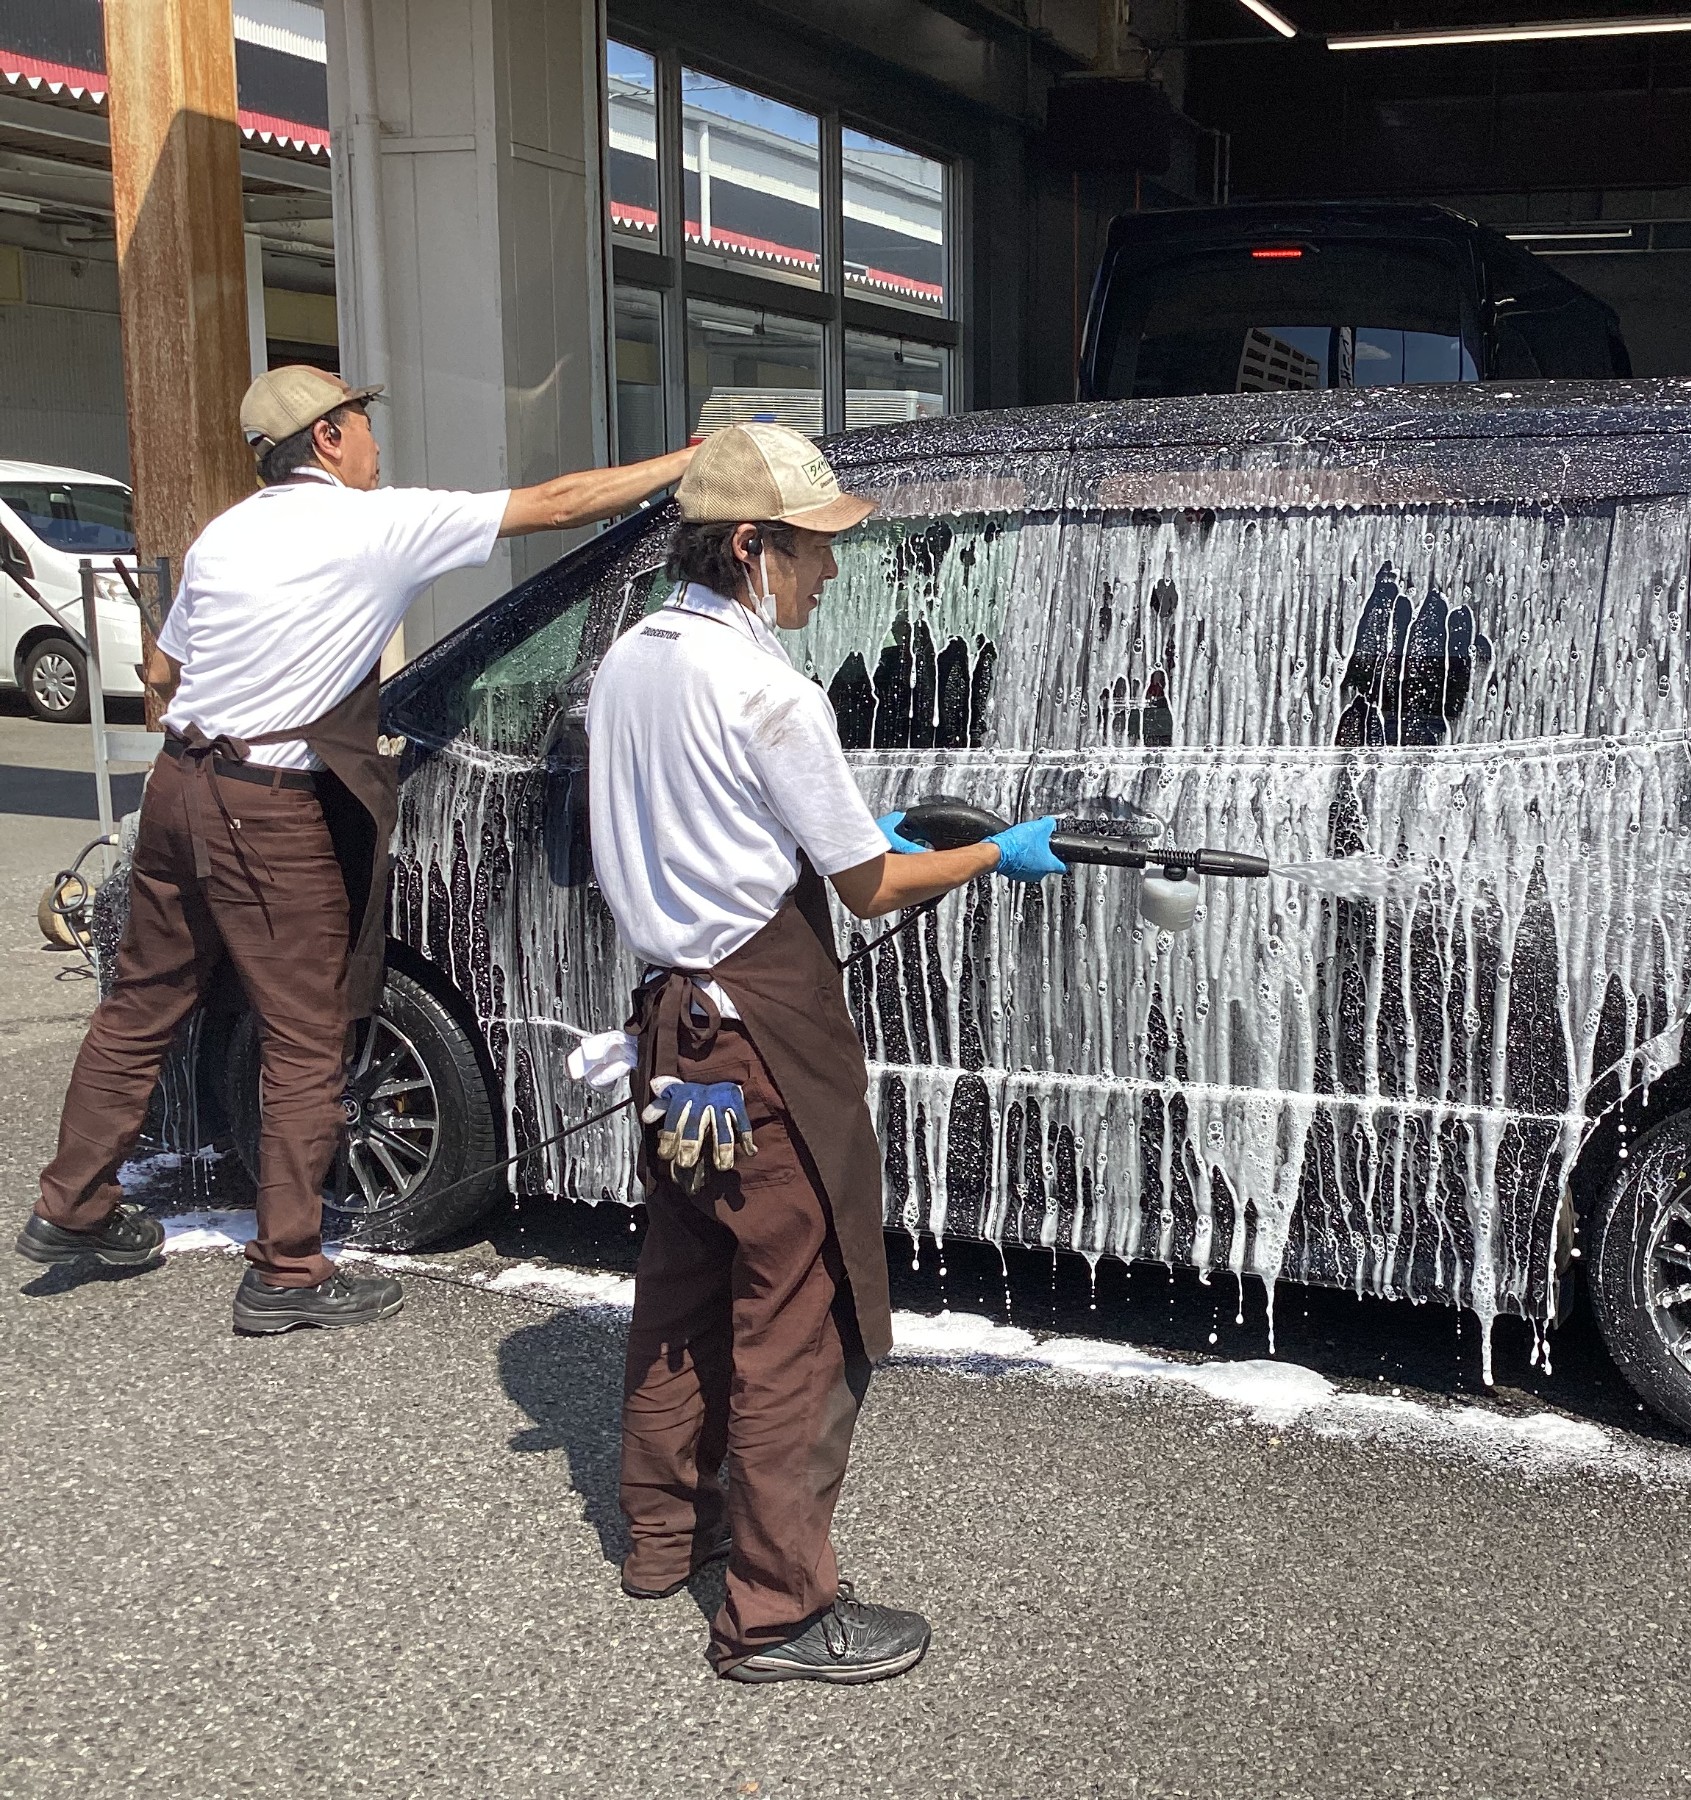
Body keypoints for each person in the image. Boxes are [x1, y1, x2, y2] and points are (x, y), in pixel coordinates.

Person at [14, 365, 696, 1335]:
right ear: (328, 438)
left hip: (178, 785)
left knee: (140, 1006)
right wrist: (685, 464)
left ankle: (73, 1206)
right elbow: (557, 503)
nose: (377, 439)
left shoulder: (225, 533)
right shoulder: (373, 525)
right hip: (265, 806)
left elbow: (163, 668)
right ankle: (288, 1270)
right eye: (362, 422)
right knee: (307, 1032)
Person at [584, 421, 1064, 1685]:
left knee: (686, 1280)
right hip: (760, 1039)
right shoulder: (771, 692)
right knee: (797, 1313)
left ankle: (663, 1536)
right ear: (751, 545)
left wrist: (840, 827)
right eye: (813, 549)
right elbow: (871, 887)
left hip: (670, 1030)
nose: (831, 572)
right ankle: (778, 1613)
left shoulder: (633, 656)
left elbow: (707, 817)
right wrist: (999, 850)